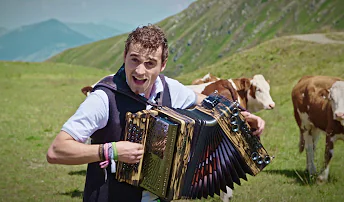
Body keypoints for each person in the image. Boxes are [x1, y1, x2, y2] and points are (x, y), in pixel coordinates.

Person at [46, 24, 265, 202]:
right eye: (134, 60)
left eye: (150, 63)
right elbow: (56, 151)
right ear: (124, 56)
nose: (140, 71)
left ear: (163, 65)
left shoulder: (170, 88)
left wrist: (244, 115)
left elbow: (207, 103)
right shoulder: (104, 98)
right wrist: (111, 150)